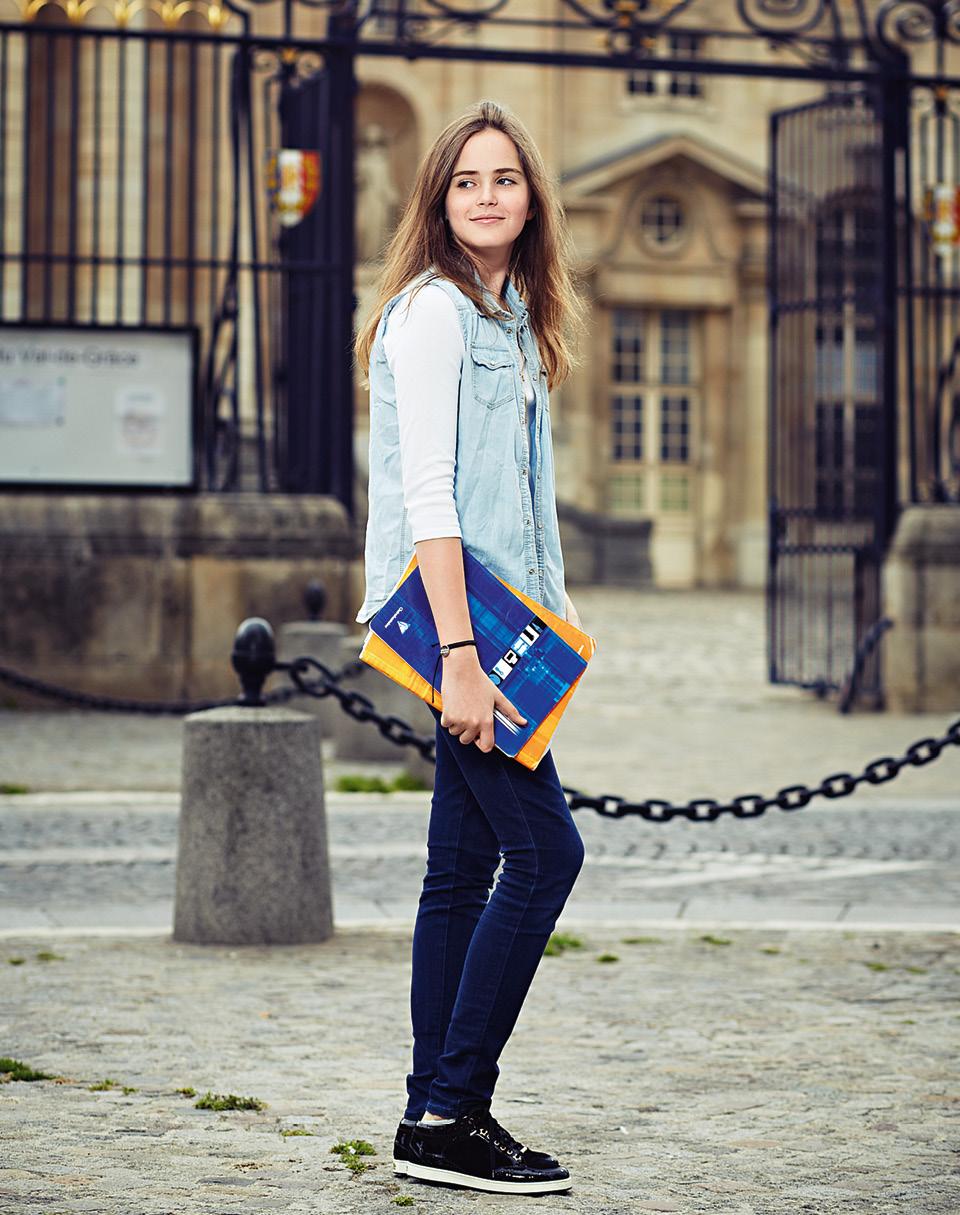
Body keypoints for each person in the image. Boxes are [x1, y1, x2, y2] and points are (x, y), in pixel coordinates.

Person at [353, 98, 589, 1196]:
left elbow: (521, 502)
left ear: (531, 197)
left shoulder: (511, 321)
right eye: (465, 181)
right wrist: (461, 656)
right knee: (546, 856)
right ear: (438, 201)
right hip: (459, 627)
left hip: (502, 626)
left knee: (460, 871)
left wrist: (554, 624)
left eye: (505, 178)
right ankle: (453, 1107)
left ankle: (429, 1116)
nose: (487, 196)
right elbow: (432, 495)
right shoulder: (434, 314)